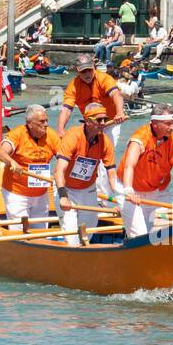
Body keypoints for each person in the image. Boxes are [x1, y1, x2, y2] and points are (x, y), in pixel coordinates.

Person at [112, 104, 173, 238]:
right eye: (167, 124)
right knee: (141, 236)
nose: (172, 127)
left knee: (164, 236)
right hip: (130, 193)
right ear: (154, 124)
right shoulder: (140, 137)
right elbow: (129, 166)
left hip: (157, 193)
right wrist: (128, 191)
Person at [52, 102, 116, 246]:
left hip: (88, 189)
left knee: (90, 228)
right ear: (87, 121)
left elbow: (112, 174)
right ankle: (73, 254)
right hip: (67, 189)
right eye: (99, 120)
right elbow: (59, 170)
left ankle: (82, 255)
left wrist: (120, 197)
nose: (104, 123)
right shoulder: (73, 136)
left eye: (105, 119)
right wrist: (63, 196)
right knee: (71, 235)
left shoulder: (105, 141)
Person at [0, 104, 60, 227]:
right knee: (19, 231)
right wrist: (12, 162)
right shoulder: (17, 134)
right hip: (17, 193)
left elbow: (63, 158)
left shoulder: (51, 135)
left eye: (47, 120)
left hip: (41, 193)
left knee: (40, 233)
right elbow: (1, 152)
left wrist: (58, 173)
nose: (46, 124)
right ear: (30, 123)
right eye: (42, 121)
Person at [56, 53, 125, 136]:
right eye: (83, 71)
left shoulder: (104, 78)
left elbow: (116, 94)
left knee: (107, 147)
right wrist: (60, 129)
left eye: (89, 70)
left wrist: (119, 112)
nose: (87, 74)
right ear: (77, 71)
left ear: (93, 67)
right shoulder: (73, 86)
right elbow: (66, 110)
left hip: (111, 122)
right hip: (91, 125)